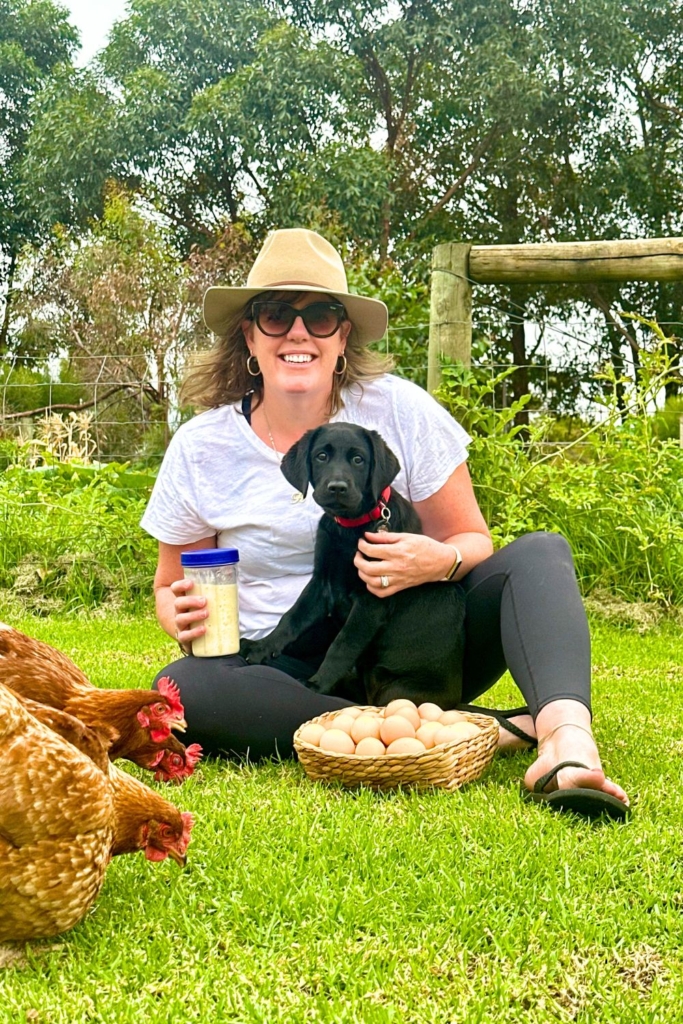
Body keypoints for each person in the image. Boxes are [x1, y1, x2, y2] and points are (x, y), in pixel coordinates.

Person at [141, 227, 630, 820]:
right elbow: (172, 586)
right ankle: (451, 732)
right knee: (182, 689)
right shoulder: (201, 445)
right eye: (276, 315)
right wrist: (177, 610)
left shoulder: (398, 408)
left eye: (320, 316)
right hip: (285, 668)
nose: (298, 333)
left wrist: (439, 558)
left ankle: (565, 739)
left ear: (342, 335)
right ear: (249, 333)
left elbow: (474, 539)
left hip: (415, 643)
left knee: (540, 553)